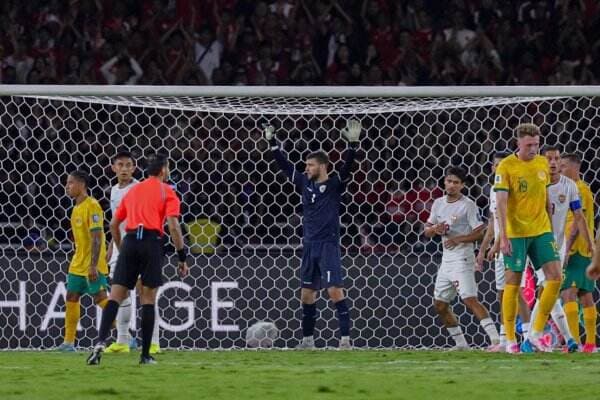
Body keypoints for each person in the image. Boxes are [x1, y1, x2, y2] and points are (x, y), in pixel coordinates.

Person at [266, 120, 360, 349]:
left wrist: (353, 146)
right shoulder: (303, 183)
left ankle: (345, 340)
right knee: (306, 295)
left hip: (328, 245)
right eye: (306, 165)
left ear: (323, 166)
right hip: (309, 245)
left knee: (334, 292)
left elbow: (348, 166)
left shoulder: (335, 185)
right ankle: (308, 341)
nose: (306, 168)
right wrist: (272, 144)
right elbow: (285, 166)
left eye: (310, 165)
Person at [87, 154, 188, 365]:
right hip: (151, 241)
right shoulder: (167, 191)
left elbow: (113, 225)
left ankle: (99, 343)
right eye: (167, 169)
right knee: (148, 299)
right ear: (162, 171)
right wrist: (181, 256)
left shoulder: (133, 192)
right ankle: (145, 355)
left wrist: (122, 249)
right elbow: (173, 226)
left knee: (115, 296)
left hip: (130, 241)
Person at [494, 123, 562, 353]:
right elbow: (501, 205)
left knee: (555, 277)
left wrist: (551, 230)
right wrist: (503, 237)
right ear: (518, 143)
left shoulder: (543, 163)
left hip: (541, 229)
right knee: (512, 284)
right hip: (515, 233)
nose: (534, 148)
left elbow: (545, 199)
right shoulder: (506, 167)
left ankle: (535, 333)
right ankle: (511, 339)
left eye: (537, 144)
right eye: (529, 144)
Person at [425, 166, 500, 350]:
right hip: (446, 261)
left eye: (456, 182)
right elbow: (426, 231)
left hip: (463, 259)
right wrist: (435, 229)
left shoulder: (468, 205)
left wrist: (459, 238)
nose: (451, 185)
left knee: (470, 300)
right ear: (444, 182)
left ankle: (496, 341)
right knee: (440, 305)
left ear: (462, 185)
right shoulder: (438, 203)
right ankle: (461, 344)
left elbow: (481, 233)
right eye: (449, 181)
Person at [521, 146, 585, 353]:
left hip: (559, 245)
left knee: (550, 291)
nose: (553, 162)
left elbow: (578, 216)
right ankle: (534, 337)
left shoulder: (569, 186)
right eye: (549, 158)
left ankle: (564, 338)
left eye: (557, 159)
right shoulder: (535, 184)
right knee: (550, 287)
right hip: (539, 245)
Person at [104, 151, 160, 354]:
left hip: (136, 244)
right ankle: (123, 341)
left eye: (129, 165)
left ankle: (153, 342)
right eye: (121, 165)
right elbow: (116, 223)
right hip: (121, 246)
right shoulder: (113, 190)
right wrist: (112, 246)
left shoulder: (138, 188)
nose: (125, 169)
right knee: (120, 292)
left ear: (134, 168)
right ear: (114, 168)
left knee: (145, 292)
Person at [477, 152, 531, 349]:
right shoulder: (493, 189)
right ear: (492, 168)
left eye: (502, 164)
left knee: (515, 291)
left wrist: (499, 241)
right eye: (496, 165)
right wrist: (483, 249)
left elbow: (508, 217)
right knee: (502, 293)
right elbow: (493, 221)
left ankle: (528, 337)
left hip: (513, 243)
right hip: (500, 247)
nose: (499, 168)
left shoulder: (512, 186)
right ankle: (504, 339)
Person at [57, 171, 109, 351]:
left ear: (82, 184)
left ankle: (126, 335)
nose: (67, 187)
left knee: (100, 298)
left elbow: (97, 237)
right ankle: (68, 343)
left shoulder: (92, 206)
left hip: (91, 264)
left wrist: (94, 264)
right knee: (71, 296)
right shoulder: (75, 209)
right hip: (77, 262)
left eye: (70, 183)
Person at [560, 153, 596, 352]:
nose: (561, 169)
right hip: (586, 249)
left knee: (568, 294)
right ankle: (590, 344)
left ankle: (574, 342)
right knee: (585, 294)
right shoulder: (582, 189)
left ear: (576, 167)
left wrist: (566, 250)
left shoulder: (578, 189)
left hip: (575, 249)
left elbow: (576, 222)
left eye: (564, 165)